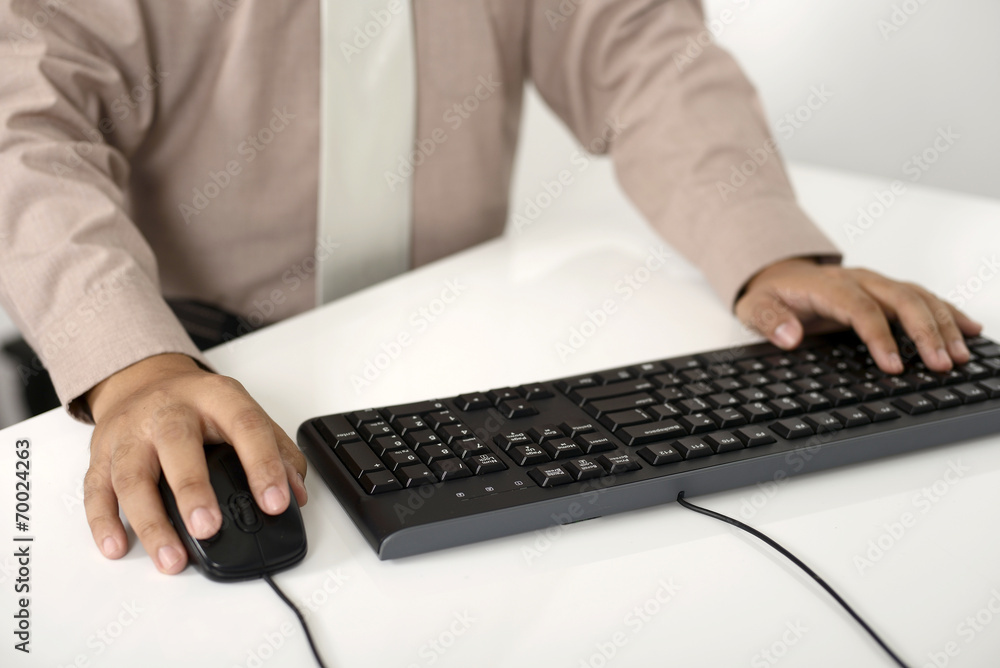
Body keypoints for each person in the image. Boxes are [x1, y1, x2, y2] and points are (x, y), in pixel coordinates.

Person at [0, 0, 981, 575]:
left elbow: (640, 49)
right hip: (192, 365)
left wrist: (766, 249)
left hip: (458, 346)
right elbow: (26, 123)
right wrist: (131, 362)